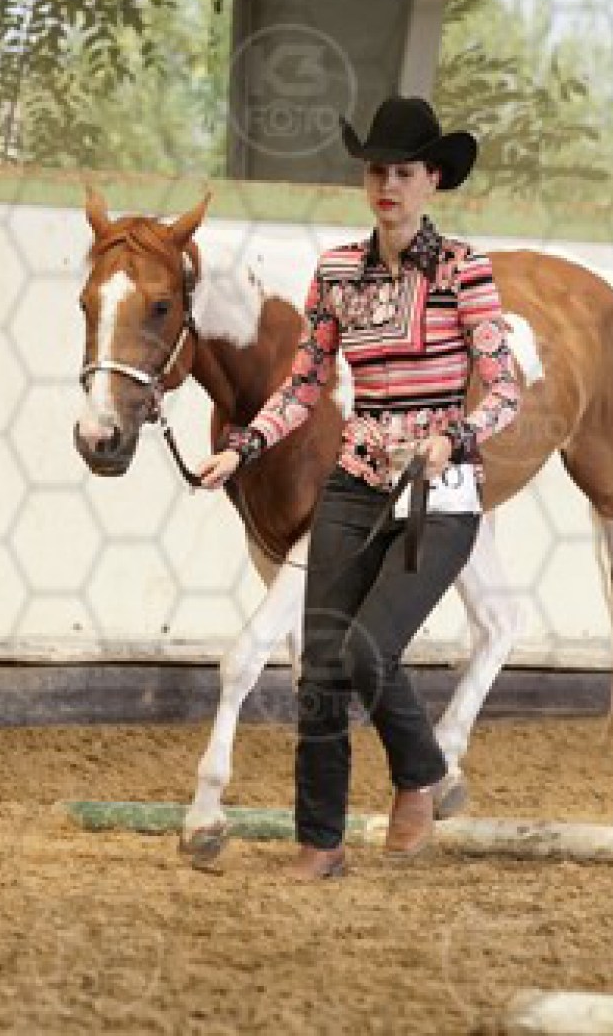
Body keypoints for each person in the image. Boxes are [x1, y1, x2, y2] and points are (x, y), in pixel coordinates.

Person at [197, 96, 523, 880]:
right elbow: (304, 383)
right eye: (377, 171)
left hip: (439, 492)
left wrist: (457, 436)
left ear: (432, 180)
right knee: (321, 667)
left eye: (403, 173)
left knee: (369, 648)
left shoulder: (464, 270)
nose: (387, 185)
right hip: (355, 480)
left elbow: (506, 386)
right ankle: (321, 843)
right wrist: (244, 448)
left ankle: (421, 772)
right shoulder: (337, 271)